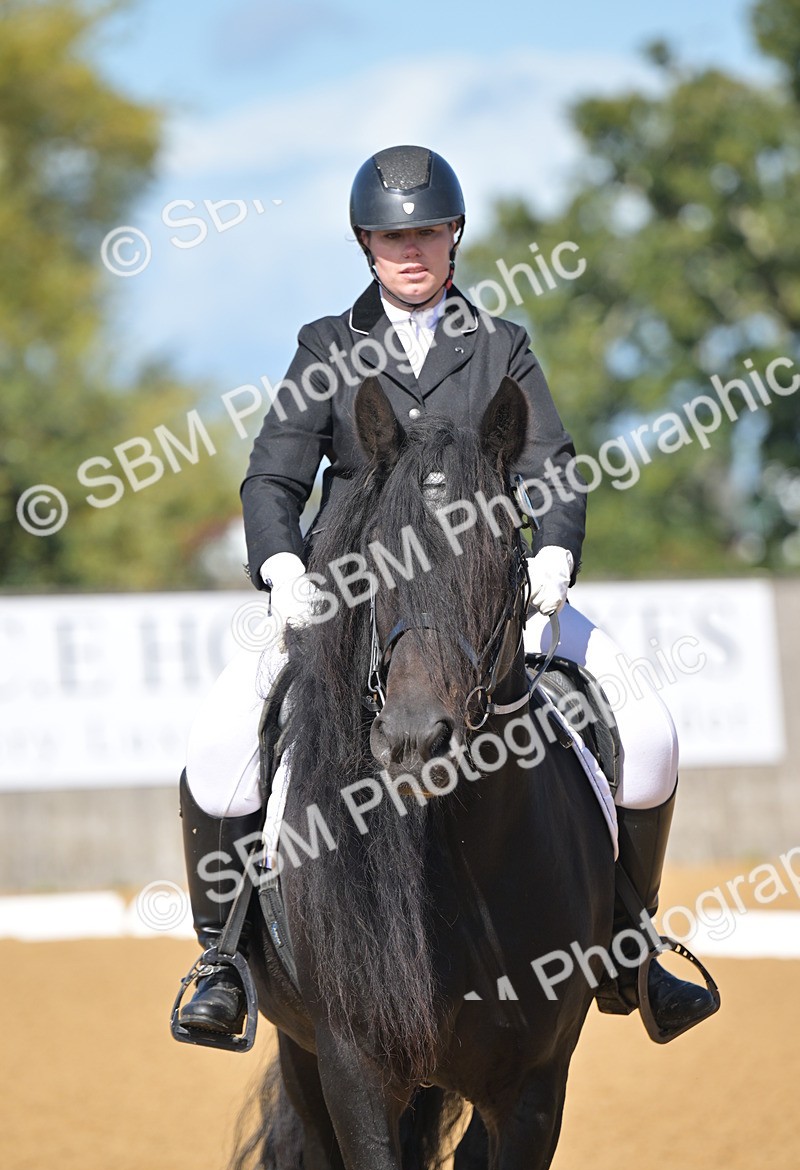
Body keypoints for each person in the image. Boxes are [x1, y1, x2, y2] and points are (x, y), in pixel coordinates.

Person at [175, 145, 717, 1041]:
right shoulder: (326, 346)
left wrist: (553, 558)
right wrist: (282, 572)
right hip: (356, 599)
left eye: (426, 230)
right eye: (392, 235)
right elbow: (272, 481)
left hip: (488, 597)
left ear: (454, 233)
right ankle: (222, 961)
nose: (411, 249)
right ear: (366, 243)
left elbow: (554, 467)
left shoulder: (500, 342)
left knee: (648, 728)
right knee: (220, 740)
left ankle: (632, 943)